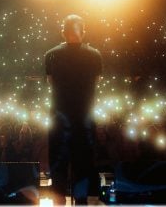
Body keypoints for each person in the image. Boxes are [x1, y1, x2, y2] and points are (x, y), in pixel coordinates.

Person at [45, 14, 102, 205]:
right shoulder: (95, 55)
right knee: (83, 168)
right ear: (83, 32)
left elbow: (51, 83)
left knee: (58, 168)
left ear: (63, 32)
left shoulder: (51, 55)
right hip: (84, 120)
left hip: (59, 120)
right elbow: (95, 84)